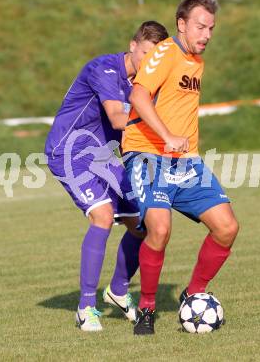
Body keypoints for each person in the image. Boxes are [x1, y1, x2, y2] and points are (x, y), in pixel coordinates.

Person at [122, 0, 239, 335]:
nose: (207, 35)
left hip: (185, 162)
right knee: (159, 229)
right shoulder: (166, 52)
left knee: (227, 228)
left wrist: (181, 143)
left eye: (211, 28)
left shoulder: (196, 61)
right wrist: (167, 135)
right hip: (146, 154)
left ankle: (194, 292)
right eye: (200, 26)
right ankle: (146, 308)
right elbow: (138, 96)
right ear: (182, 25)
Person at [44, 21, 168, 332]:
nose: (149, 63)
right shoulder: (104, 69)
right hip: (70, 152)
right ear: (132, 46)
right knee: (102, 215)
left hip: (103, 156)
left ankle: (119, 291)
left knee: (143, 222)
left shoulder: (147, 83)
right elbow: (117, 116)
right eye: (146, 54)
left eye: (156, 59)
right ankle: (86, 307)